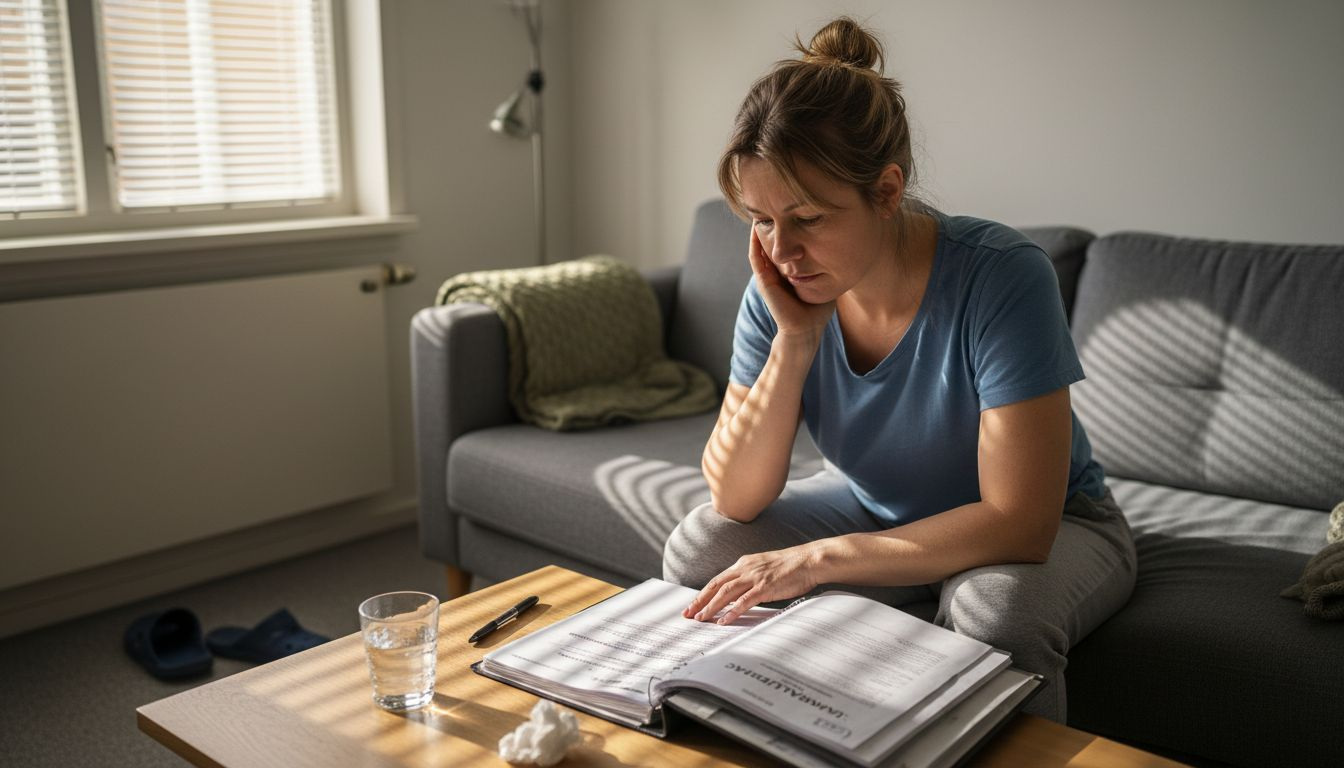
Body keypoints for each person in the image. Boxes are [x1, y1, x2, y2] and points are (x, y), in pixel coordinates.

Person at [661, 17, 1136, 723]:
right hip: (876, 507)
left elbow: (1021, 522)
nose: (781, 250)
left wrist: (819, 561)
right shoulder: (783, 287)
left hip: (1058, 521)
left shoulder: (1002, 276)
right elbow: (735, 495)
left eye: (809, 218)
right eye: (759, 219)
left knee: (993, 610)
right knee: (704, 547)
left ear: (886, 191)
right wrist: (794, 339)